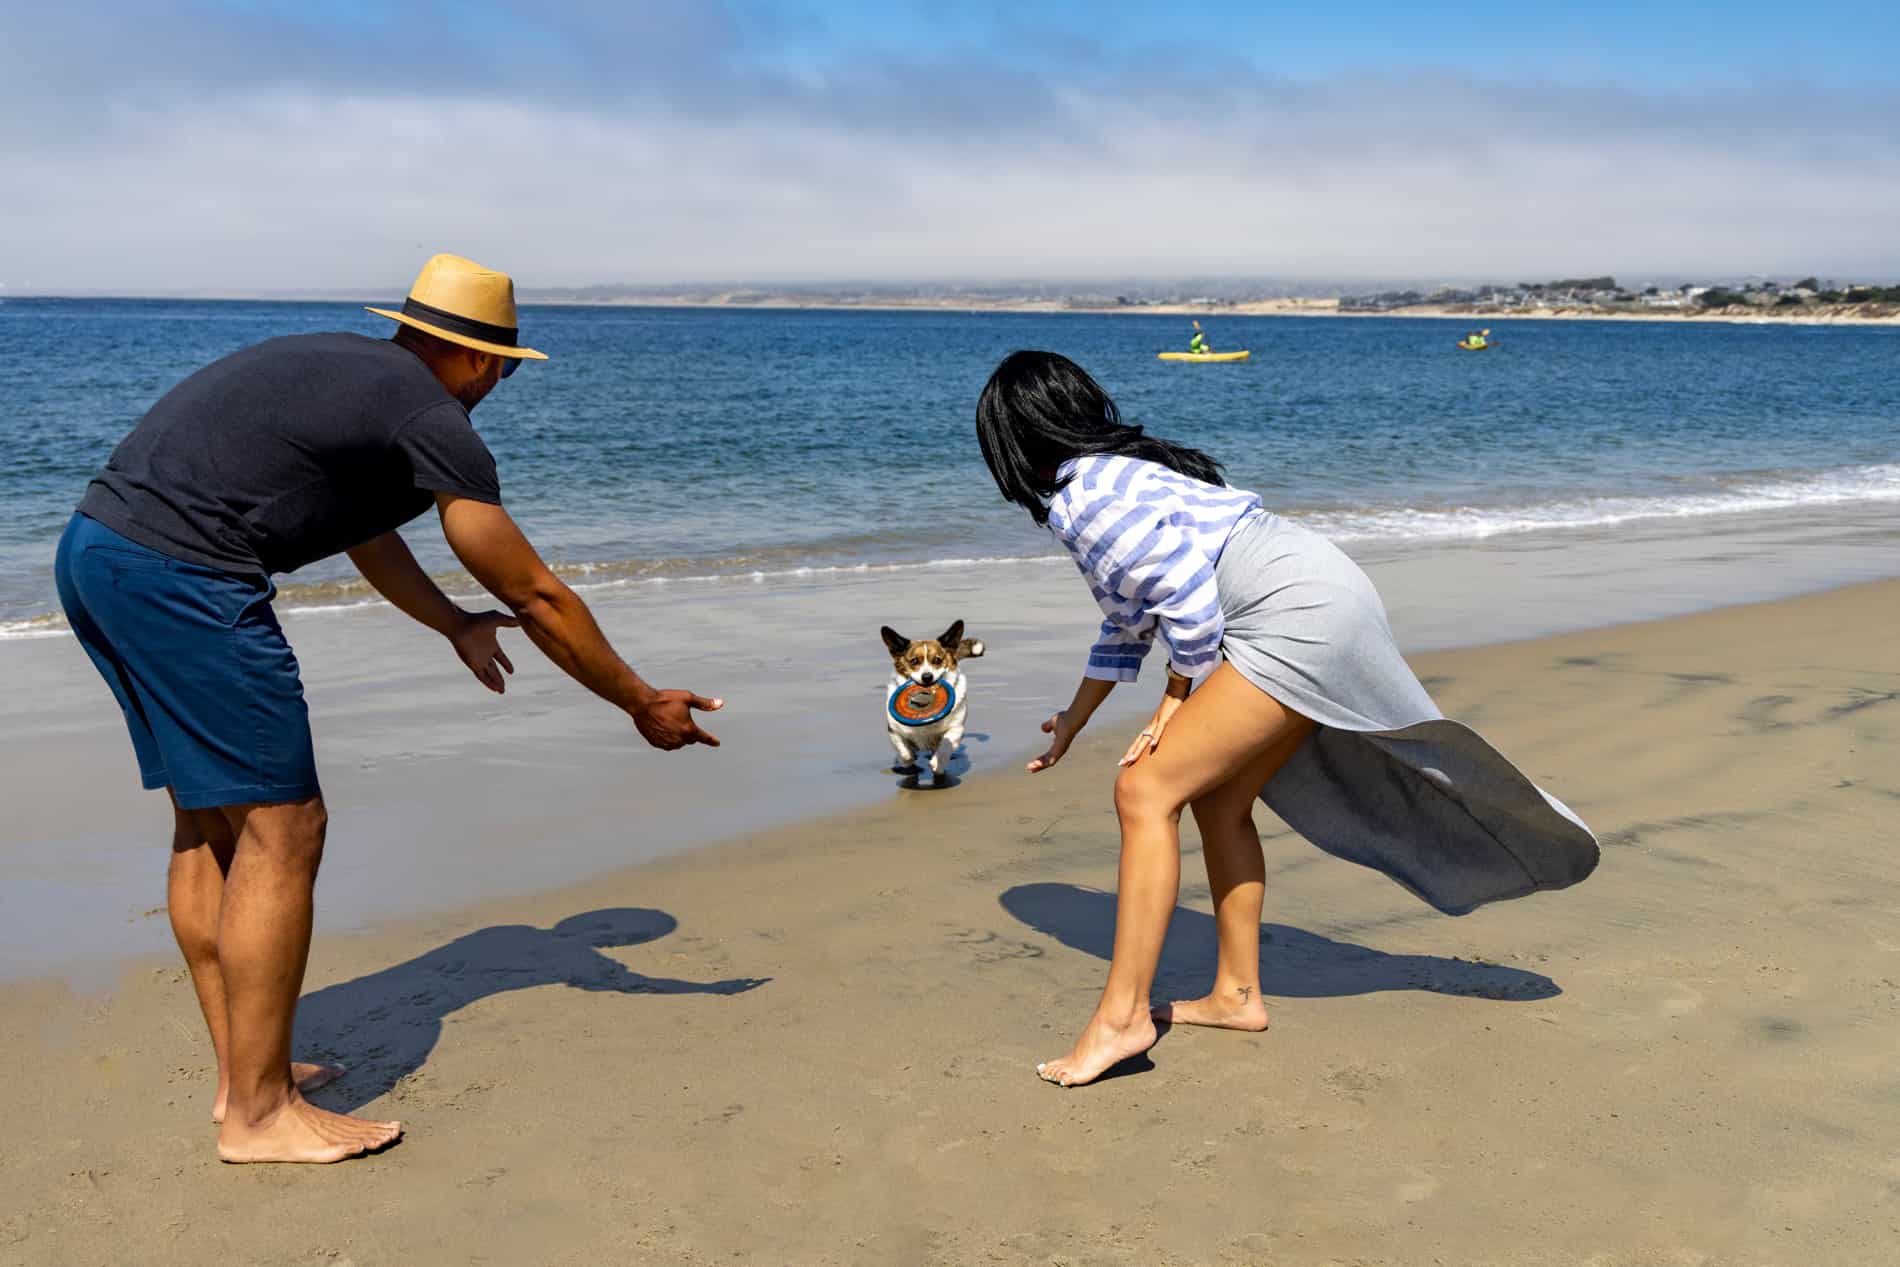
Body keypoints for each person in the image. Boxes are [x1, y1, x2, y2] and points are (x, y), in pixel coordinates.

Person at [55, 254, 724, 1163]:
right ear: (480, 359)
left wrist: (452, 623)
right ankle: (260, 1113)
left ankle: (243, 1076)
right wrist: (639, 701)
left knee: (211, 823)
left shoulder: (356, 378)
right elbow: (535, 593)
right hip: (185, 579)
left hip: (97, 555)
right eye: (502, 370)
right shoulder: (430, 417)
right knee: (285, 828)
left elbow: (366, 534)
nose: (497, 388)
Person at [974, 351, 1597, 1088]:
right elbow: (1129, 619)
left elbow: (1184, 598)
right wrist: (1075, 718)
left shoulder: (1083, 499)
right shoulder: (1123, 474)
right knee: (1218, 799)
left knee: (1143, 789)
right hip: (1320, 585)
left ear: (1010, 441)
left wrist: (1175, 695)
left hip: (1294, 611)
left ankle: (1123, 1018)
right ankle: (1235, 995)